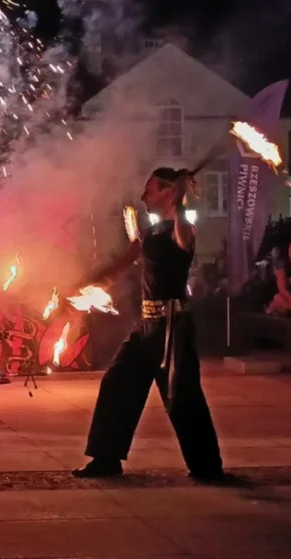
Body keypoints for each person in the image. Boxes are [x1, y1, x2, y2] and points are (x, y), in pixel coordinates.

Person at [71, 168, 222, 480]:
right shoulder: (150, 233)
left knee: (181, 396)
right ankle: (107, 459)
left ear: (167, 192)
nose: (143, 197)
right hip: (146, 326)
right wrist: (90, 285)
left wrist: (180, 201)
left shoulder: (183, 228)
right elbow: (124, 264)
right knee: (117, 383)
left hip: (172, 327)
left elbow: (183, 240)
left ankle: (207, 467)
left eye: (150, 190)